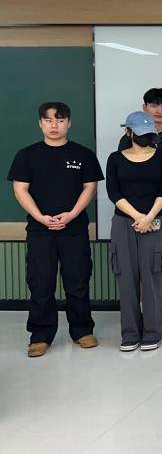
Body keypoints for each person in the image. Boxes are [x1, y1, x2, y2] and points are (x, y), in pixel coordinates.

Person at [7, 102, 104, 358]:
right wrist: (40, 217)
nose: (54, 125)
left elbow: (90, 188)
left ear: (69, 123)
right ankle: (40, 336)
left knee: (78, 281)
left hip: (74, 229)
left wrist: (71, 214)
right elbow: (20, 189)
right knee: (41, 283)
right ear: (40, 123)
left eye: (60, 120)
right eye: (49, 120)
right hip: (40, 230)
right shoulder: (26, 155)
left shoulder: (83, 154)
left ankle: (82, 330)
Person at [117, 87, 162, 323]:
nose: (159, 110)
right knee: (140, 266)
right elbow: (122, 177)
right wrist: (140, 215)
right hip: (136, 214)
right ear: (144, 107)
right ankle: (142, 316)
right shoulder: (127, 139)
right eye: (154, 105)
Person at [106, 111, 162, 352]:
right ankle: (130, 334)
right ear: (128, 132)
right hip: (124, 223)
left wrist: (149, 217)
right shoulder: (115, 158)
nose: (146, 137)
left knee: (153, 278)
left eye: (149, 133)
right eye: (141, 133)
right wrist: (138, 217)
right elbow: (113, 192)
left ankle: (153, 333)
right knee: (126, 279)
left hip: (155, 222)